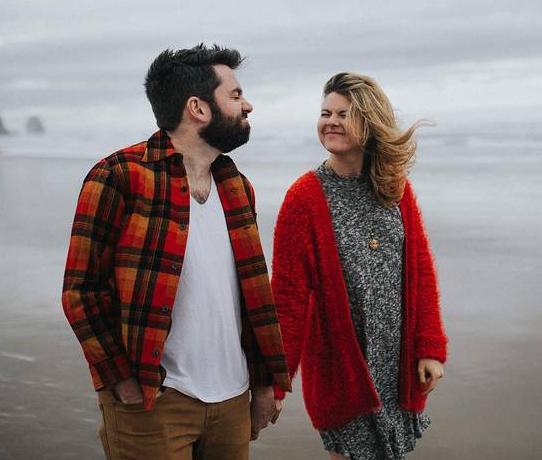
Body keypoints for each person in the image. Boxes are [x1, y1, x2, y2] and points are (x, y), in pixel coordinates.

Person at [62, 44, 290, 460]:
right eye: (236, 95)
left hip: (232, 401)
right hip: (153, 402)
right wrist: (122, 381)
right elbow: (81, 291)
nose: (248, 105)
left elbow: (252, 299)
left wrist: (263, 385)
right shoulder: (118, 177)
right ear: (198, 108)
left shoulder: (237, 187)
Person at [271, 72, 448, 460]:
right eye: (325, 112)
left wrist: (429, 347)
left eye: (343, 113)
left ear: (369, 122)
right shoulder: (305, 197)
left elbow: (419, 271)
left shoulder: (394, 186)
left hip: (395, 357)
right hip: (341, 364)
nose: (330, 121)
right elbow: (288, 297)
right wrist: (275, 381)